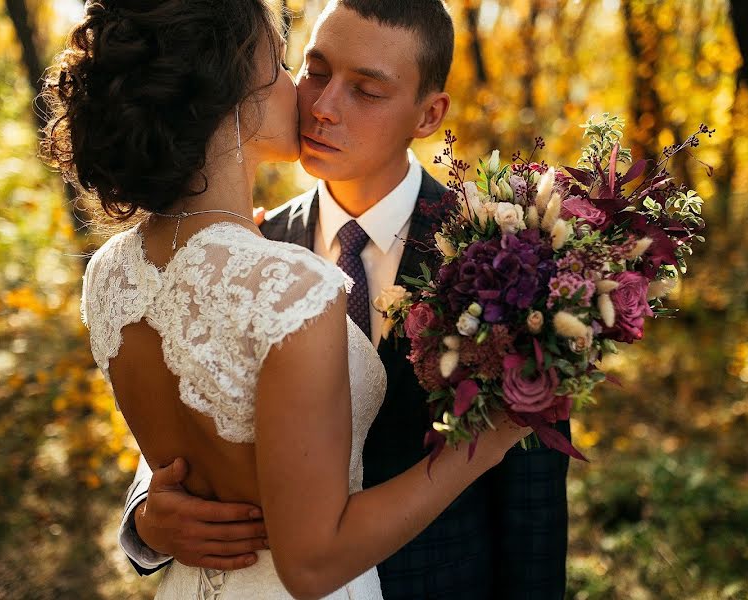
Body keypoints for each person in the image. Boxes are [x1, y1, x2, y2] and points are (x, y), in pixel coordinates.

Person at [43, 0, 532, 598]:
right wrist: (147, 518)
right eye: (313, 70)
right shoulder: (253, 253)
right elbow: (198, 402)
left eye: (367, 91)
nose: (322, 107)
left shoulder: (501, 258)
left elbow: (530, 503)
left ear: (428, 115)